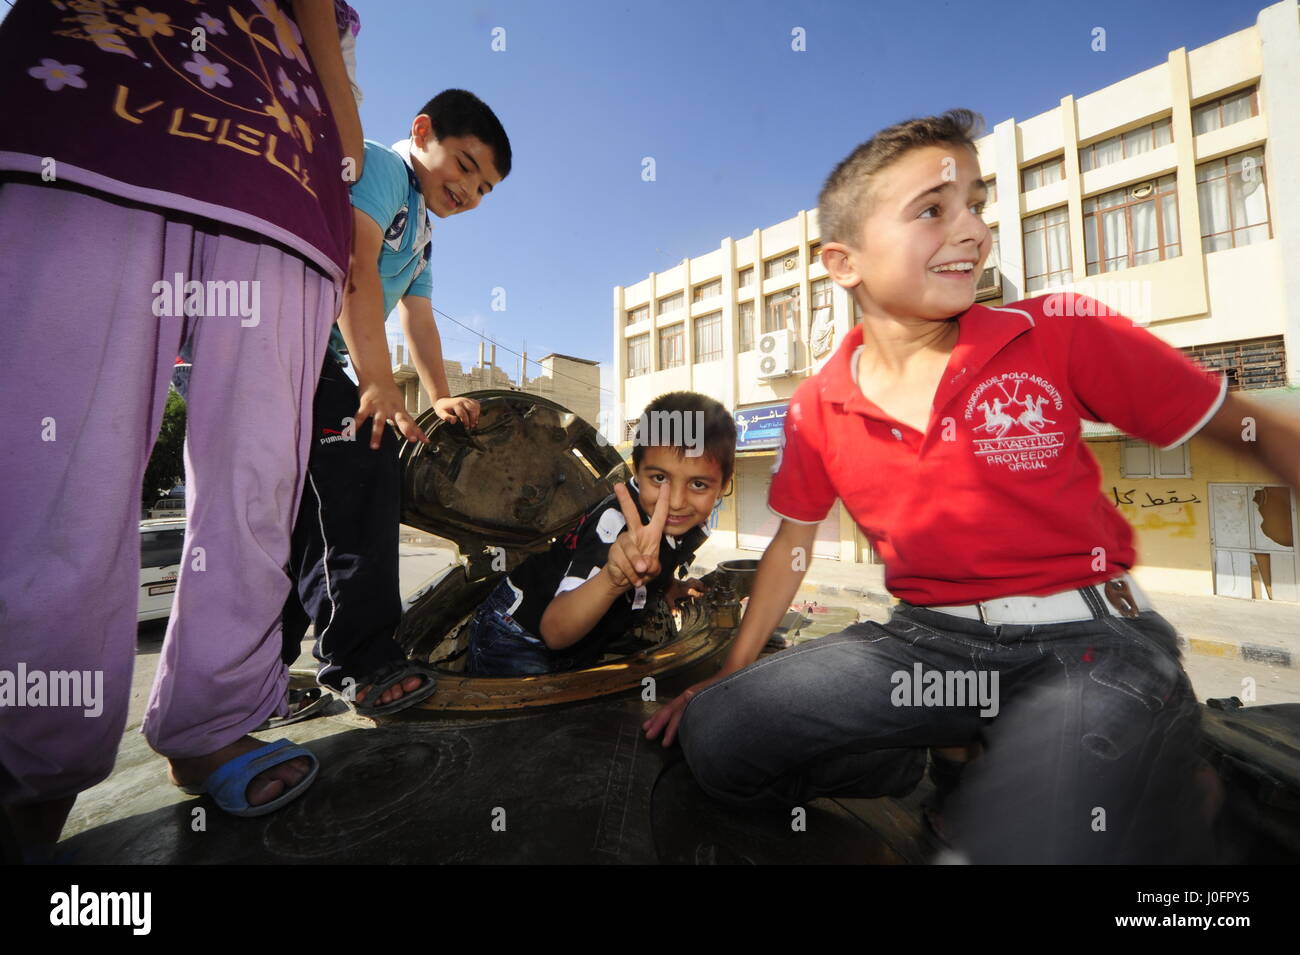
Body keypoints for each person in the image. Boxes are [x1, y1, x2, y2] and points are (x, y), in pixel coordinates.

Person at [645, 109, 1300, 864]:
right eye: (933, 210)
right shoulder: (815, 403)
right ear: (843, 261)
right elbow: (793, 543)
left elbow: (1247, 425)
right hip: (930, 644)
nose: (975, 231)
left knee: (1023, 840)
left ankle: (1141, 778)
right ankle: (932, 754)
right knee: (718, 736)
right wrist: (729, 674)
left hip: (1090, 642)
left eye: (978, 207)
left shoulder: (1057, 330)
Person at [0, 0, 364, 850]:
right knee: (54, 441)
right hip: (97, 84)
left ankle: (208, 717)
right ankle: (25, 756)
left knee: (254, 465)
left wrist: (334, 164)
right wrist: (341, 163)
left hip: (276, 151)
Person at [281, 89, 511, 714]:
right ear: (422, 131)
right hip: (294, 342)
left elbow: (420, 321)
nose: (470, 190)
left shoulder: (425, 234)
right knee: (366, 461)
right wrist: (375, 382)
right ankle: (360, 660)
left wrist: (440, 397)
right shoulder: (380, 166)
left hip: (319, 361)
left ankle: (260, 678)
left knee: (303, 523)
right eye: (465, 165)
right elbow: (356, 267)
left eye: (485, 188)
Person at [466, 392, 732, 676]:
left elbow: (662, 556)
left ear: (724, 483)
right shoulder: (616, 523)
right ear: (636, 470)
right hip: (516, 631)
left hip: (580, 639)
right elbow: (555, 631)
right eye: (659, 478)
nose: (676, 501)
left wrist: (670, 587)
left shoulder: (683, 524)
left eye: (699, 484)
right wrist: (613, 579)